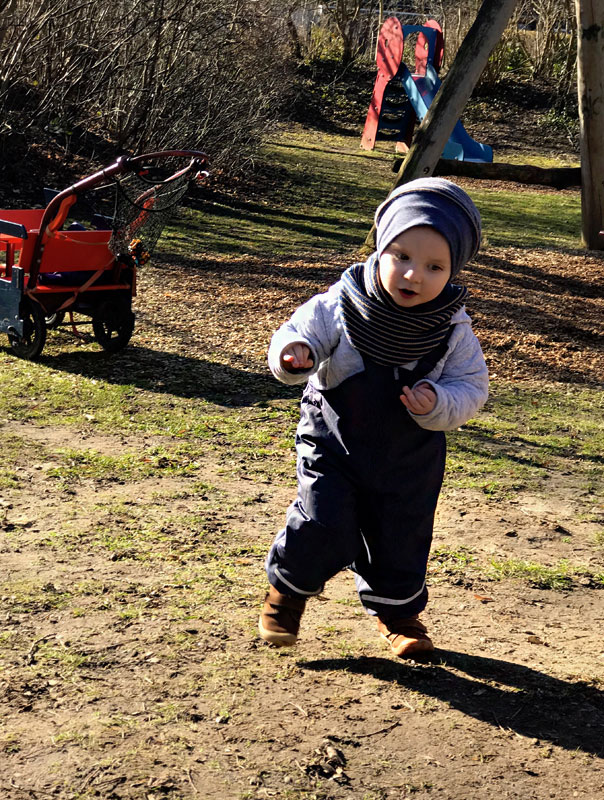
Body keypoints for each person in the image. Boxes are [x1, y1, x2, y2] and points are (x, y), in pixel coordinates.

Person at [258, 177, 488, 658]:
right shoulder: (340, 306)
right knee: (325, 521)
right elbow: (297, 334)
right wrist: (294, 354)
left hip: (409, 456)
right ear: (380, 248)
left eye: (433, 266)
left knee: (401, 533)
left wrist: (439, 402)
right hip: (334, 443)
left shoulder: (451, 331)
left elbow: (472, 388)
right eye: (401, 257)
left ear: (454, 270)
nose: (413, 275)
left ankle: (398, 614)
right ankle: (287, 591)